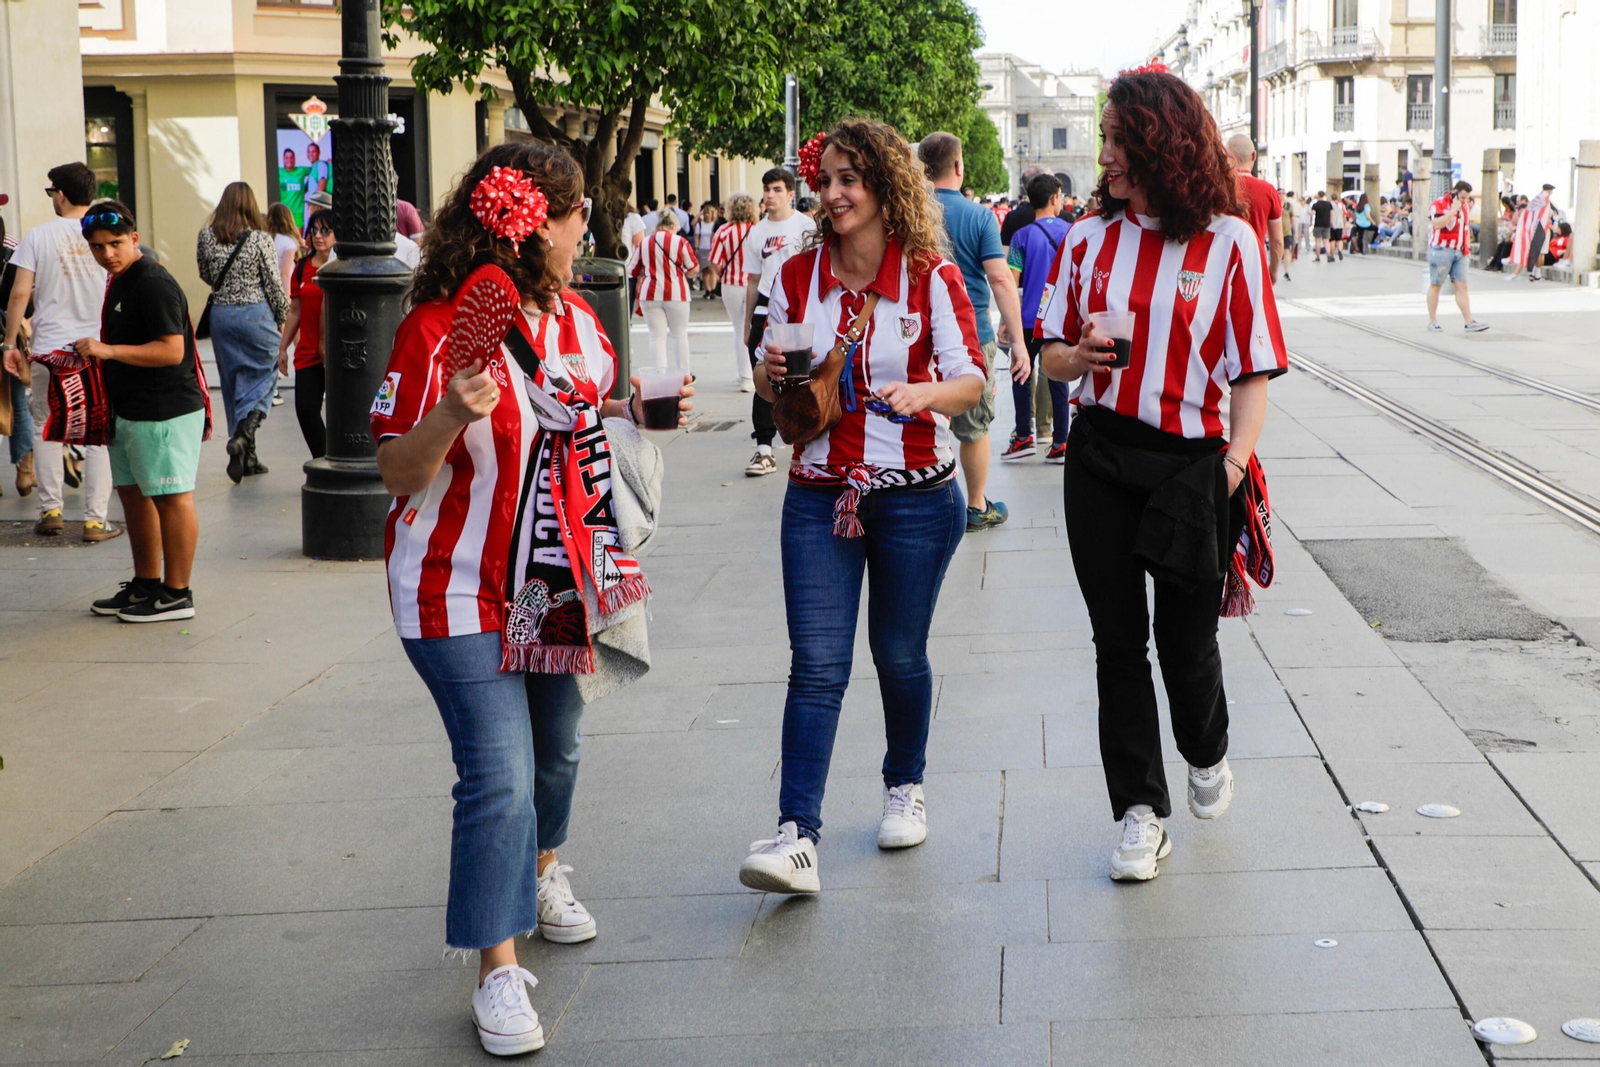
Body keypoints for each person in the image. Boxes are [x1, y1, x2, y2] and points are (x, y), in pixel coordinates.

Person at [379, 141, 692, 1057]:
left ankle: (543, 867)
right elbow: (395, 470)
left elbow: (598, 414)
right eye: (574, 215)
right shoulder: (439, 327)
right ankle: (498, 969)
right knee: (500, 775)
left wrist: (641, 415)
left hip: (553, 581)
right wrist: (451, 414)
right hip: (453, 587)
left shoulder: (581, 322)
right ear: (528, 227)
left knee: (556, 752)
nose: (585, 229)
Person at [1037, 67, 1288, 883]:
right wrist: (1071, 359)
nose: (1104, 154)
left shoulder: (1230, 241)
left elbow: (1252, 371)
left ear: (1161, 142)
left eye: (1118, 139)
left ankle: (1206, 747)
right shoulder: (1085, 240)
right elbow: (1052, 356)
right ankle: (1140, 812)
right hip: (1102, 455)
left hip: (1193, 465)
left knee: (1188, 642)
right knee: (1118, 642)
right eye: (1103, 138)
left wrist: (1233, 469)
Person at [737, 117, 985, 895]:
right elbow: (768, 384)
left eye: (851, 179)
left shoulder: (931, 278)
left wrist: (925, 393)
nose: (835, 193)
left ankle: (903, 783)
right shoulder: (795, 276)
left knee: (899, 655)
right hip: (818, 496)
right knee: (815, 663)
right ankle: (795, 834)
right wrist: (770, 372)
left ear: (886, 188)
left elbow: (973, 378)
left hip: (916, 497)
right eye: (828, 180)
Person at [65, 202, 208, 621]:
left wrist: (107, 350)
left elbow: (172, 350)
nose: (107, 254)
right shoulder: (123, 279)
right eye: (96, 247)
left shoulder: (152, 281)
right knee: (135, 498)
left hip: (163, 411)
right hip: (130, 411)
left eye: (114, 244)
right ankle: (147, 583)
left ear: (134, 240)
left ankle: (178, 594)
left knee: (171, 498)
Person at [917, 130, 1029, 532]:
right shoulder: (979, 215)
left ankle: (921, 501)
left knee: (917, 419)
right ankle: (977, 505)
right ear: (959, 166)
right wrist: (1016, 339)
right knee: (973, 426)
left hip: (913, 335)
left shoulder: (908, 211)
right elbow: (1000, 280)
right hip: (970, 334)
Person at [2, 163, 118, 541]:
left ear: (61, 194)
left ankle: (50, 509)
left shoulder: (38, 236)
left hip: (50, 346)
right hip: (96, 345)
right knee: (97, 432)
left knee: (45, 426)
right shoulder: (106, 235)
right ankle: (95, 519)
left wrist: (9, 343)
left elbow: (20, 293)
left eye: (51, 192)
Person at [198, 181, 287, 483]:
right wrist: (284, 317)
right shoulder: (261, 239)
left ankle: (248, 456)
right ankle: (245, 431)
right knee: (265, 374)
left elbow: (205, 274)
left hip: (221, 316)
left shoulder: (206, 236)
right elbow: (273, 283)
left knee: (233, 380)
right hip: (256, 313)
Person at [740, 167, 816, 476]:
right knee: (765, 374)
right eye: (766, 190)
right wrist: (746, 324)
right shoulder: (756, 232)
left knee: (803, 375)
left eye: (775, 190)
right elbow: (752, 280)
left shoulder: (806, 226)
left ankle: (809, 433)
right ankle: (764, 449)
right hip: (765, 305)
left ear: (789, 193)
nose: (769, 196)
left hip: (800, 308)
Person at [1002, 172, 1072, 464]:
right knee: (1057, 377)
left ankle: (1023, 436)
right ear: (1055, 198)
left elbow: (1012, 279)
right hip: (1058, 317)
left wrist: (1006, 320)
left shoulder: (1021, 236)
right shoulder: (1071, 232)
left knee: (1020, 371)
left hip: (1028, 315)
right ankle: (1060, 443)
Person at [276, 208, 333, 457]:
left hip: (335, 355)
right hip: (308, 352)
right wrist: (283, 348)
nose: (318, 236)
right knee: (306, 410)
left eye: (325, 231)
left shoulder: (342, 268)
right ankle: (323, 458)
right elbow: (295, 311)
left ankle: (337, 459)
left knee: (343, 413)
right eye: (314, 231)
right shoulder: (302, 267)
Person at [631, 207, 698, 377]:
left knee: (656, 337)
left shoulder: (645, 242)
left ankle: (660, 375)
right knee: (679, 335)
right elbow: (693, 267)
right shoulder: (680, 242)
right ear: (674, 225)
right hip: (677, 293)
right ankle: (684, 374)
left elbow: (632, 269)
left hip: (650, 294)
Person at [0, 203, 33, 498]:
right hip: (6, 336)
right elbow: (24, 300)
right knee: (19, 403)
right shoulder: (13, 252)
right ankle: (25, 469)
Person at [1427, 180, 1489, 332]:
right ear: (1454, 193)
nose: (1465, 201)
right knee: (1436, 284)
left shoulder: (1465, 207)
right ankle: (1432, 320)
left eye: (1467, 198)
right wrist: (1453, 210)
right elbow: (1437, 224)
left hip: (1460, 251)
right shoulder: (1439, 204)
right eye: (1462, 198)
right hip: (1442, 249)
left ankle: (1469, 321)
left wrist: (1466, 251)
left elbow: (1465, 229)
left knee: (1462, 286)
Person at [709, 192, 756, 392]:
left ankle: (744, 375)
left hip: (731, 284)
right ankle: (754, 372)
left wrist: (723, 272)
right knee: (755, 328)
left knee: (739, 329)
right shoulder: (758, 230)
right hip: (755, 284)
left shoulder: (724, 231)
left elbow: (714, 262)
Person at [1225, 134, 1282, 284]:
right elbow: (1277, 241)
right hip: (1255, 267)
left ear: (1226, 155)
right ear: (1254, 155)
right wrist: (1273, 270)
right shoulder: (1268, 191)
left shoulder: (1216, 188)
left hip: (1221, 265)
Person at [1509, 184, 1556, 282]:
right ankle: (1537, 273)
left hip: (1534, 227)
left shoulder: (1537, 199)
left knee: (1535, 249)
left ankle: (1533, 272)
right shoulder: (1545, 200)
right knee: (1541, 252)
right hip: (1542, 227)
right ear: (1549, 190)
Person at [266, 202, 303, 293]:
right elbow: (285, 274)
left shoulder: (264, 238)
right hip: (282, 290)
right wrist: (287, 299)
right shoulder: (289, 242)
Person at [277, 148, 312, 229]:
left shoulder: (301, 171)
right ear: (283, 159)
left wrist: (326, 163)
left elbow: (315, 169)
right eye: (287, 157)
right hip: (283, 211)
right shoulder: (279, 171)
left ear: (295, 159)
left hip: (298, 212)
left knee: (298, 240)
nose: (289, 160)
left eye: (291, 157)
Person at [693, 201, 719, 297]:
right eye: (705, 213)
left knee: (712, 269)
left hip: (712, 249)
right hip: (703, 248)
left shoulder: (715, 224)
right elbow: (696, 236)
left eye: (708, 213)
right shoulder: (700, 225)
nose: (706, 215)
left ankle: (713, 289)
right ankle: (707, 289)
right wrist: (696, 248)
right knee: (704, 270)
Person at [1309, 191, 1334, 261]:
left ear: (1318, 195)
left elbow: (1312, 213)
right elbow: (1332, 213)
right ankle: (1328, 254)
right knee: (1326, 241)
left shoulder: (1316, 204)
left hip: (1318, 224)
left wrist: (1310, 220)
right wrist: (1331, 222)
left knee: (1318, 241)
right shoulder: (1329, 204)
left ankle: (1318, 257)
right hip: (1326, 224)